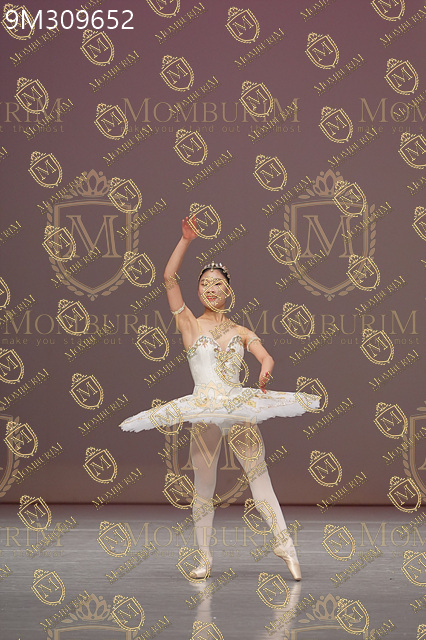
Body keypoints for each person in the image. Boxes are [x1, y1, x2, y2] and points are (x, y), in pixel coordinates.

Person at [119, 217, 321, 581]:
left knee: (260, 477)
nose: (210, 289)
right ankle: (204, 557)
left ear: (228, 290)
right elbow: (168, 278)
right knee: (204, 486)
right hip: (205, 409)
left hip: (237, 406)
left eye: (217, 284)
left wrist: (265, 368)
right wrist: (185, 240)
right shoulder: (189, 324)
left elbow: (265, 355)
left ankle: (285, 545)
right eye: (204, 284)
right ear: (198, 290)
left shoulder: (241, 330)